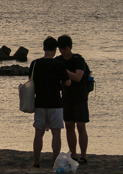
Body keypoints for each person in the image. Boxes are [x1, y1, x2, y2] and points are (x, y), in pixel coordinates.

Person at [29, 36, 71, 169]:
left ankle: (36, 162)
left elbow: (31, 81)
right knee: (56, 134)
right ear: (55, 50)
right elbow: (68, 82)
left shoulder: (35, 64)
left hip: (40, 102)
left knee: (38, 134)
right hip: (55, 103)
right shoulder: (58, 65)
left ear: (43, 48)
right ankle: (54, 162)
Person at [57, 35, 91, 165]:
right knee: (69, 125)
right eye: (60, 48)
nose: (62, 51)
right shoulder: (58, 60)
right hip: (66, 97)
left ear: (70, 47)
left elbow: (77, 77)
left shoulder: (78, 59)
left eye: (64, 48)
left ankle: (83, 156)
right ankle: (73, 154)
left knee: (81, 126)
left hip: (80, 96)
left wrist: (63, 70)